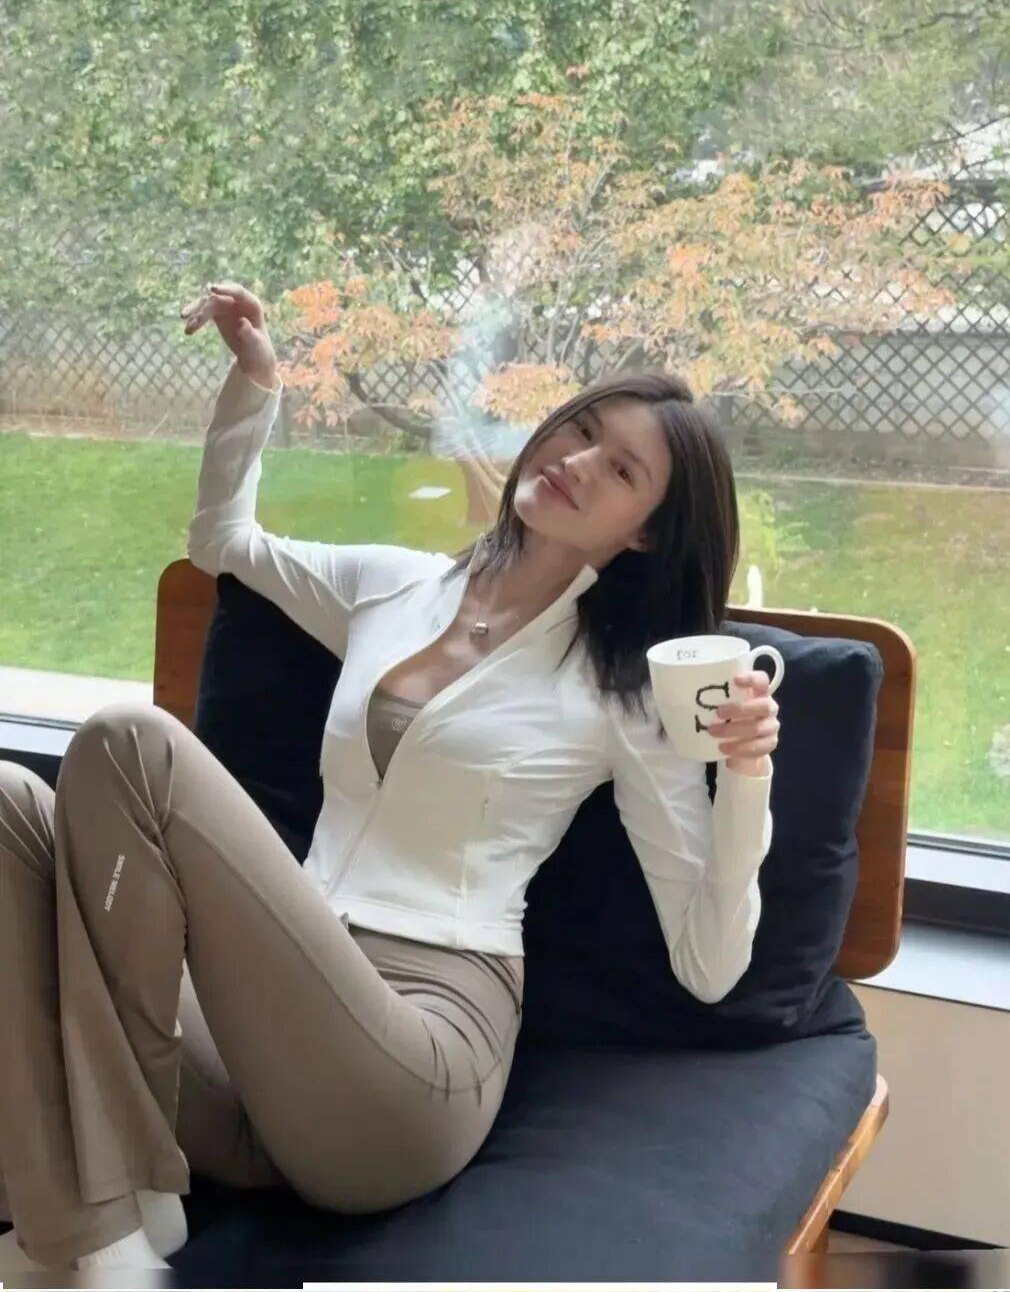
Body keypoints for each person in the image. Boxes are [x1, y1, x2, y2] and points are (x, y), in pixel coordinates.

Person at [0, 279, 781, 1274]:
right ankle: (112, 1213)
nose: (576, 460)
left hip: (407, 1065)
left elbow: (710, 967)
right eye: (581, 429)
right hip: (253, 1054)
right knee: (11, 804)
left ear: (644, 533)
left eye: (620, 468)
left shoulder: (621, 692)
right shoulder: (399, 586)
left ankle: (102, 1241)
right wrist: (257, 383)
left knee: (130, 739)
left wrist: (746, 777)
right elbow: (224, 545)